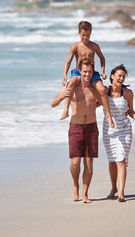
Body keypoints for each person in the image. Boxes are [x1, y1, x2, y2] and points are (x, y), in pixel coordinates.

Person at [51, 58, 102, 203]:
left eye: (90, 72)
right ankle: (75, 185)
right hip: (76, 127)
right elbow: (53, 103)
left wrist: (90, 107)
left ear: (93, 72)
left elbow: (102, 102)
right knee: (75, 162)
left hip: (92, 127)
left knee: (89, 163)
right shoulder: (72, 87)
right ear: (80, 71)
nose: (87, 74)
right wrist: (62, 94)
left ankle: (85, 193)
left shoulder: (94, 87)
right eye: (85, 71)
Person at [59, 21, 114, 128]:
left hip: (91, 72)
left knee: (102, 90)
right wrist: (64, 75)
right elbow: (68, 62)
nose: (85, 38)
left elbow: (102, 59)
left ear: (91, 33)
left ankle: (108, 116)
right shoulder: (75, 47)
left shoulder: (94, 46)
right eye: (83, 35)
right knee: (70, 85)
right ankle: (66, 110)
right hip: (78, 72)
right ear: (79, 33)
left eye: (88, 35)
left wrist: (102, 71)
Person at [103, 64, 135, 202]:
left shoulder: (128, 93)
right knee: (112, 162)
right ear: (112, 76)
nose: (121, 78)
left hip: (124, 129)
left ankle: (121, 193)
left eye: (123, 76)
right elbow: (94, 102)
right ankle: (113, 188)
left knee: (121, 160)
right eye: (119, 75)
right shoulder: (104, 91)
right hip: (108, 130)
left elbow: (131, 111)